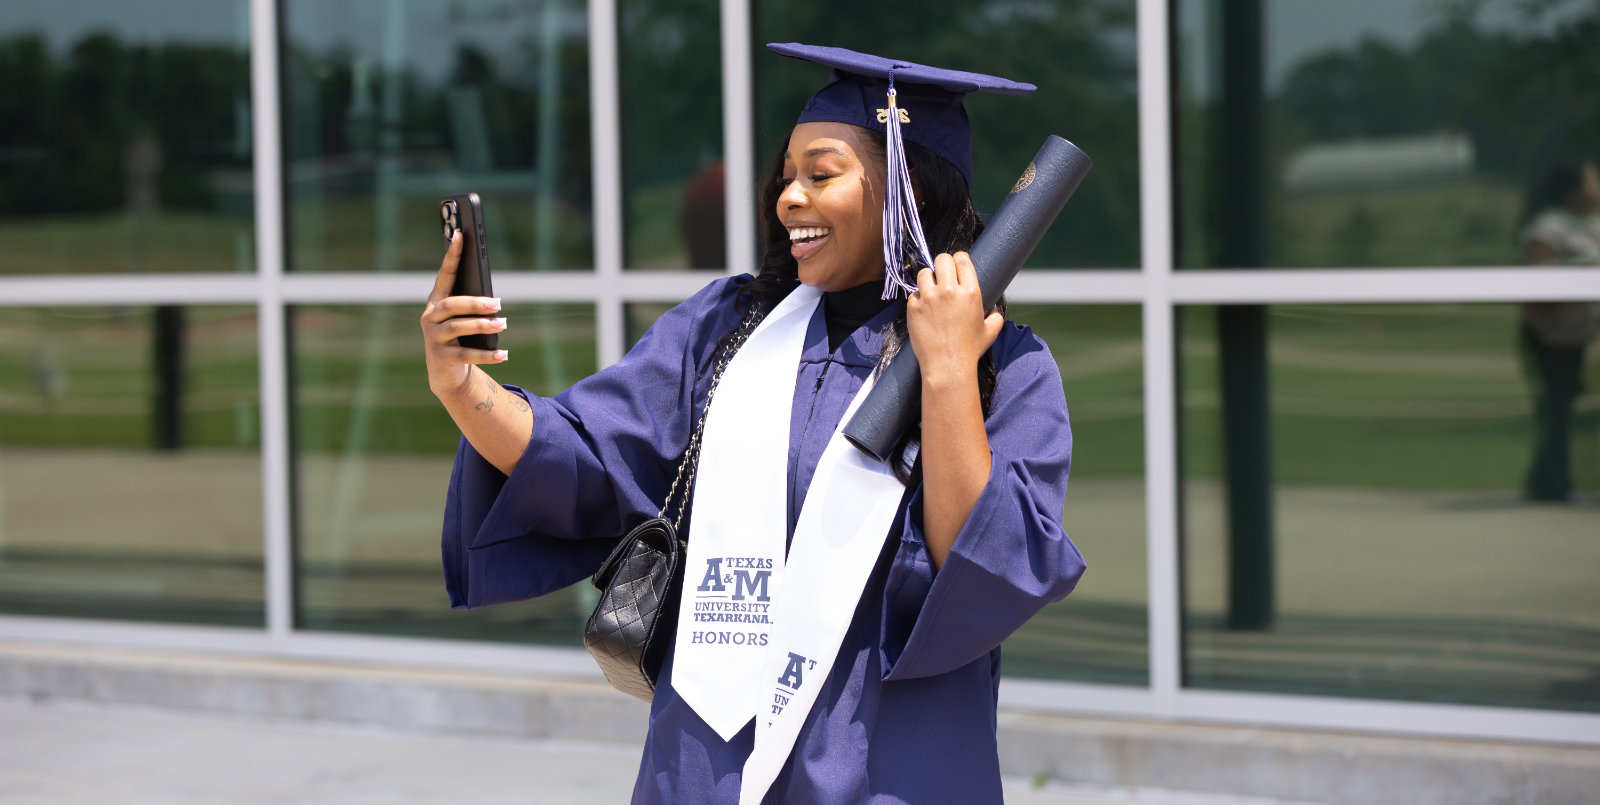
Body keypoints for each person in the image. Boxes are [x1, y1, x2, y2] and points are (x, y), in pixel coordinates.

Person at [420, 43, 1085, 804]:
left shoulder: (1009, 369)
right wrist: (461, 385)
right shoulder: (729, 328)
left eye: (821, 173)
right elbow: (580, 453)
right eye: (787, 176)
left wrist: (945, 369)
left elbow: (983, 567)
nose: (788, 198)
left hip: (888, 771)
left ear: (911, 192)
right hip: (706, 766)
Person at [1517, 157, 1600, 502]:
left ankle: (1545, 480)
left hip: (1579, 335)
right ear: (1573, 190)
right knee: (1556, 407)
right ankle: (1553, 484)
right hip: (1550, 337)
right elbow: (1539, 289)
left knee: (1563, 404)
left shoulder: (1590, 224)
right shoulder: (1550, 227)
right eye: (1592, 178)